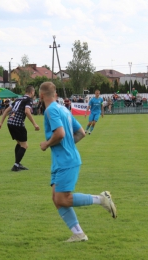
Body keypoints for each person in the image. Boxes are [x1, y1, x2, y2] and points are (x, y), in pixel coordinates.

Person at [39, 81, 117, 243]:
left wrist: (46, 144)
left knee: (63, 199)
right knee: (56, 198)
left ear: (41, 95)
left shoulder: (51, 110)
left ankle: (101, 199)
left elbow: (59, 134)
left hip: (66, 161)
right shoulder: (63, 109)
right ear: (55, 95)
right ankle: (79, 234)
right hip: (63, 159)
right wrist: (67, 146)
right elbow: (81, 133)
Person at [0, 85, 40, 171]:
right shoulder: (28, 99)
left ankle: (17, 164)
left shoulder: (18, 99)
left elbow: (6, 110)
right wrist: (35, 124)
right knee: (24, 145)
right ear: (31, 92)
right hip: (18, 123)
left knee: (19, 144)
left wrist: (1, 122)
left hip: (10, 122)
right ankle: (16, 166)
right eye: (34, 92)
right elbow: (27, 112)